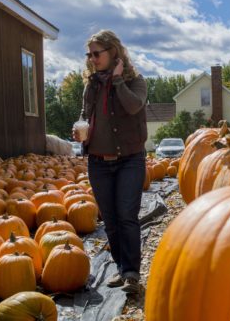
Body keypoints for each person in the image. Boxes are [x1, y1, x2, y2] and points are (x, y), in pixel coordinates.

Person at [73, 30, 147, 294]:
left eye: (97, 53)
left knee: (127, 216)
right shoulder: (90, 85)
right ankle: (120, 267)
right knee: (111, 221)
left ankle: (131, 273)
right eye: (89, 54)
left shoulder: (135, 81)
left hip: (130, 160)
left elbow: (134, 106)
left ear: (113, 52)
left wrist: (117, 82)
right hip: (98, 162)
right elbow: (85, 114)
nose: (92, 59)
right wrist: (80, 129)